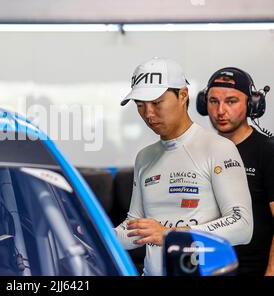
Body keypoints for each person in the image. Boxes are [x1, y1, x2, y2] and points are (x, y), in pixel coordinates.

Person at [115, 57, 253, 276]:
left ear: (183, 95)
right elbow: (134, 228)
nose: (148, 114)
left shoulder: (218, 148)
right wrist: (92, 236)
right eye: (140, 105)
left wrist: (171, 235)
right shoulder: (145, 157)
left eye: (157, 103)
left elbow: (242, 225)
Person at [197, 67, 274, 276]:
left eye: (231, 101)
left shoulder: (267, 151)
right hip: (207, 267)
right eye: (213, 101)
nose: (220, 110)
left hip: (254, 270)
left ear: (252, 105)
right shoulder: (200, 150)